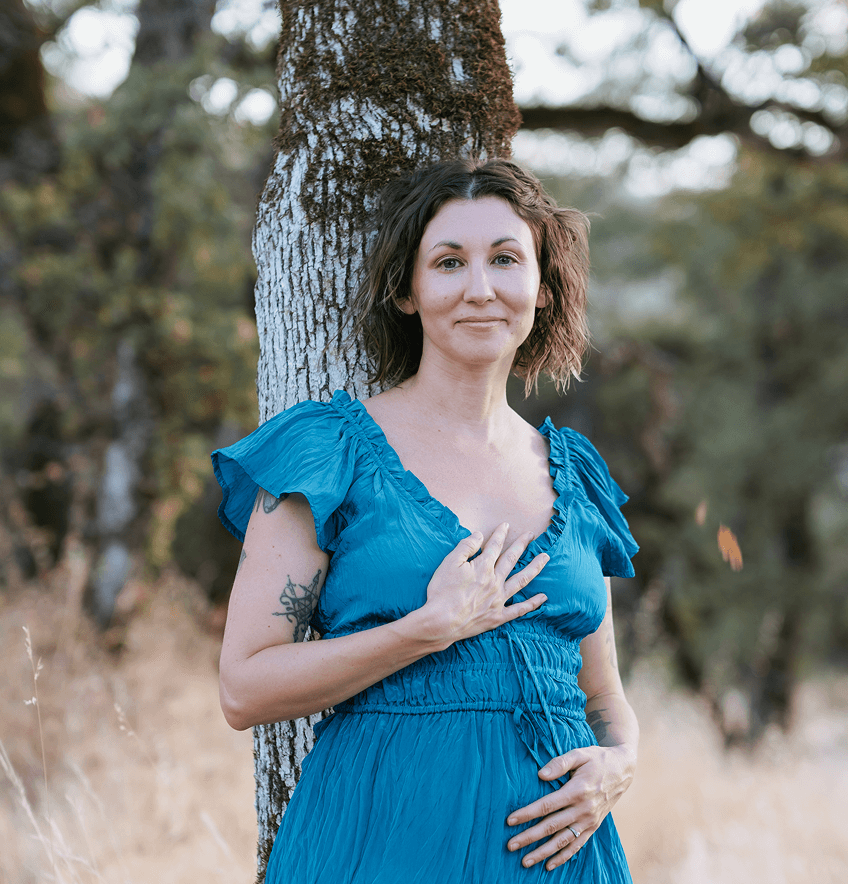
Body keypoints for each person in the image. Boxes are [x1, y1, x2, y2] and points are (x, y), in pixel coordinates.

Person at [211, 156, 639, 882]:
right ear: (408, 292)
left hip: (560, 859)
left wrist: (620, 764)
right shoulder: (330, 450)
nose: (480, 288)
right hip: (383, 842)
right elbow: (243, 687)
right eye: (448, 262)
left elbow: (605, 699)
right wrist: (421, 631)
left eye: (506, 259)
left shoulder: (576, 473)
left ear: (542, 287)